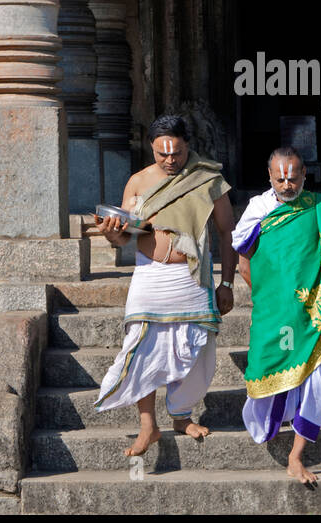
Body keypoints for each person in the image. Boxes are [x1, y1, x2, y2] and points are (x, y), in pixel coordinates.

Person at [94, 114, 237, 457]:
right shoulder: (138, 182)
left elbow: (227, 231)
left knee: (197, 349)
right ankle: (148, 425)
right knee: (140, 347)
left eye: (178, 153)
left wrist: (227, 282)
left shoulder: (206, 179)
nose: (170, 160)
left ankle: (181, 415)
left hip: (191, 277)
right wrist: (112, 232)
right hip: (151, 275)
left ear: (188, 146)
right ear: (152, 148)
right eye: (162, 154)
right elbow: (122, 237)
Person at [233, 147, 321, 485]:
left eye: (293, 177)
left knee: (316, 380)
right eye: (279, 178)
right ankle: (272, 422)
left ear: (305, 175)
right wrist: (269, 297)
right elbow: (245, 262)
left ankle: (296, 456)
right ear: (269, 176)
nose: (287, 185)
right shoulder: (258, 209)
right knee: (266, 366)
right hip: (273, 311)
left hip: (315, 312)